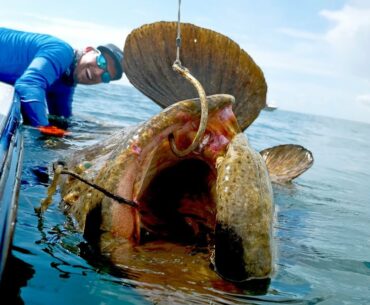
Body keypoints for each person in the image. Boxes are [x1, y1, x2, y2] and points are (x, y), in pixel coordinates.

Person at [0, 27, 124, 136]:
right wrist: (44, 128)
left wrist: (101, 131)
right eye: (101, 62)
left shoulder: (66, 83)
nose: (98, 73)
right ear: (88, 50)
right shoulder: (62, 51)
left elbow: (61, 119)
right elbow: (28, 85)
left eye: (106, 76)